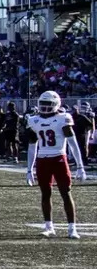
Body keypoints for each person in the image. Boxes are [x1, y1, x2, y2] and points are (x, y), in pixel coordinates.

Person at [25, 91, 84, 239]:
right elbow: (32, 146)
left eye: (48, 104)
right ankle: (49, 226)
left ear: (56, 105)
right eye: (42, 104)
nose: (44, 107)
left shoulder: (63, 118)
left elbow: (73, 144)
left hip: (58, 157)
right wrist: (29, 169)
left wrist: (80, 166)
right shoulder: (33, 120)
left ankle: (72, 228)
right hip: (42, 159)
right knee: (45, 193)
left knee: (66, 193)